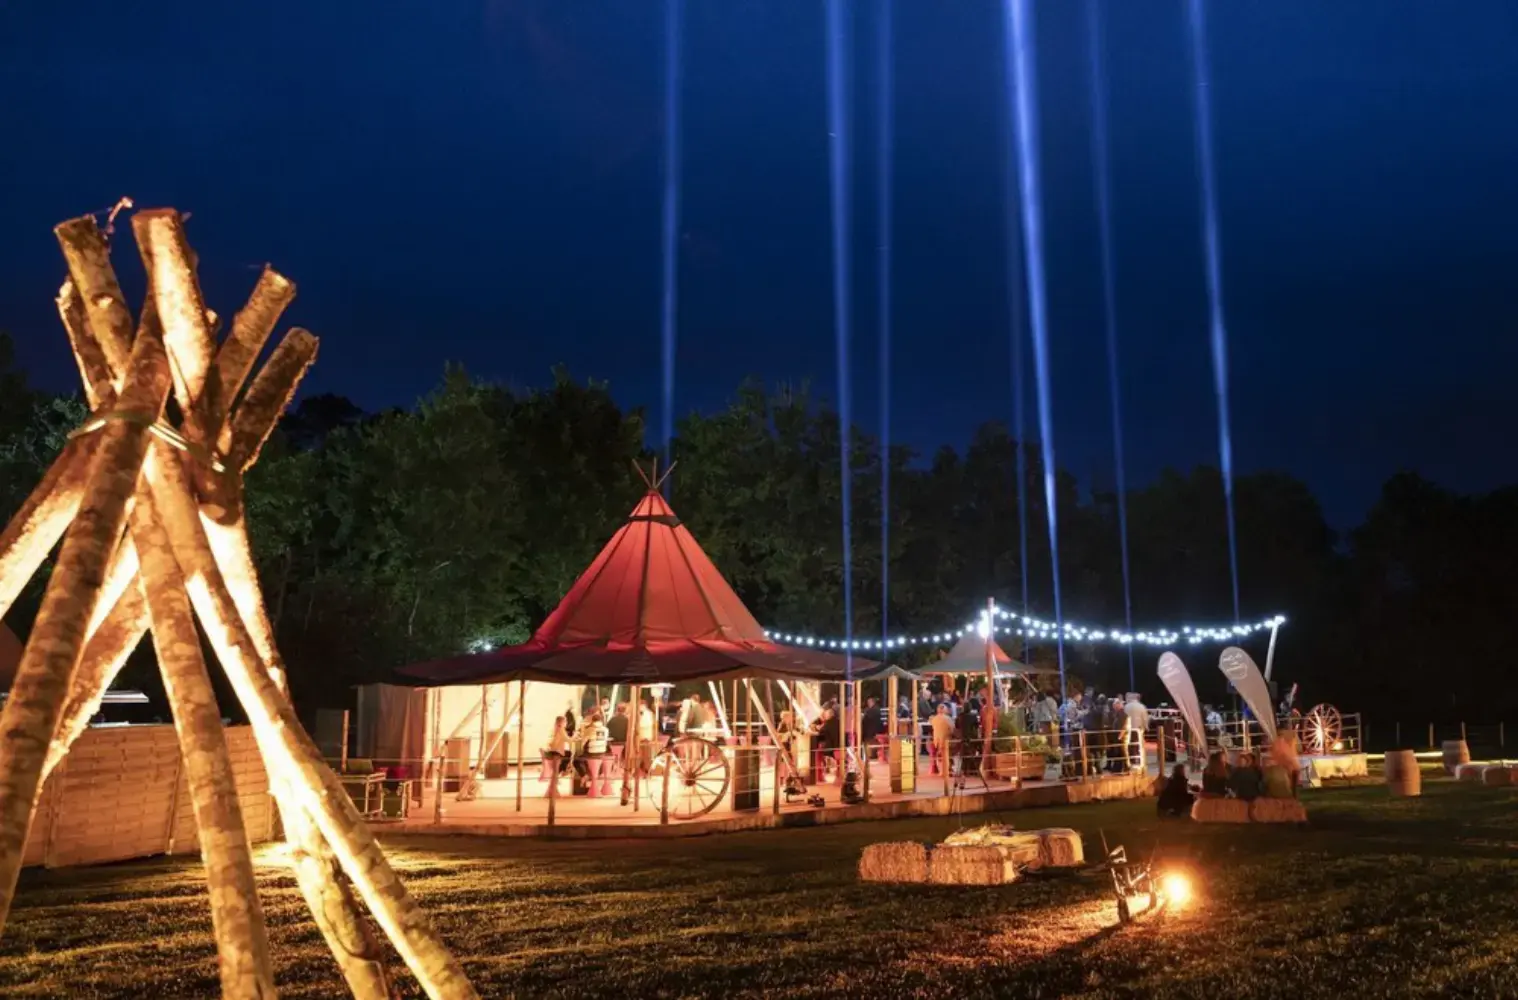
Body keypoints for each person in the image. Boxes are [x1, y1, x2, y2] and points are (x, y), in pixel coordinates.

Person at [1123, 694, 1149, 771]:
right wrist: (1146, 727)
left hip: (1128, 728)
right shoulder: (1141, 707)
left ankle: (1131, 759)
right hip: (1138, 728)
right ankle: (1139, 759)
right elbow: (1145, 718)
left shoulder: (1126, 706)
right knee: (1138, 745)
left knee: (1129, 745)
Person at [929, 704, 954, 776]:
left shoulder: (934, 719)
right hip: (947, 740)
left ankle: (942, 770)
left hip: (936, 741)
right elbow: (952, 730)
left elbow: (933, 728)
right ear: (945, 710)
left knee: (939, 755)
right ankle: (947, 770)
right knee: (948, 754)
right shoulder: (948, 718)